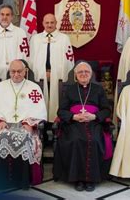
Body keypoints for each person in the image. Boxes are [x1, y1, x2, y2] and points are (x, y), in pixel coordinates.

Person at [0, 60, 47, 189]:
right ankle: (2, 180)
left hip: (25, 125)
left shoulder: (34, 88)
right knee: (2, 137)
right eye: (13, 71)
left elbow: (39, 109)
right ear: (9, 72)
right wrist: (0, 120)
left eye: (19, 71)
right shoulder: (0, 87)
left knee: (25, 137)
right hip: (4, 125)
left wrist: (29, 122)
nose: (16, 74)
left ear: (25, 71)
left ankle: (22, 180)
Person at [53, 61, 112, 192]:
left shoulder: (98, 89)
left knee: (95, 140)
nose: (83, 74)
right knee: (75, 140)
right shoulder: (70, 90)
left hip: (94, 122)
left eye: (86, 72)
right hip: (74, 123)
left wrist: (94, 116)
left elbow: (107, 110)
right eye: (80, 72)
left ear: (91, 74)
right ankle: (78, 179)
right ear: (75, 75)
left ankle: (91, 179)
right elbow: (61, 111)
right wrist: (74, 117)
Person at [29, 13, 74, 122]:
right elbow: (31, 59)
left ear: (56, 23)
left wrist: (59, 74)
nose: (49, 25)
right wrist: (40, 73)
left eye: (52, 22)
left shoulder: (64, 38)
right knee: (40, 100)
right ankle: (41, 124)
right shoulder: (35, 38)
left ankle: (56, 124)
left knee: (56, 101)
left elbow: (69, 59)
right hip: (40, 76)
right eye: (47, 22)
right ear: (43, 23)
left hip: (58, 77)